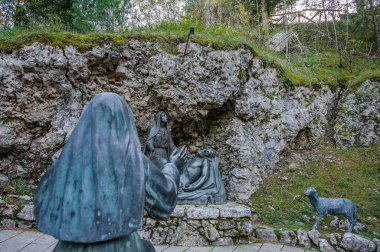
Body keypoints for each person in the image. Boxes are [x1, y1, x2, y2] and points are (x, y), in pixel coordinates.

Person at [34, 93, 187, 251]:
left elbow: (40, 203)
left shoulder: (67, 160)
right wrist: (173, 166)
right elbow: (163, 202)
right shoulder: (133, 161)